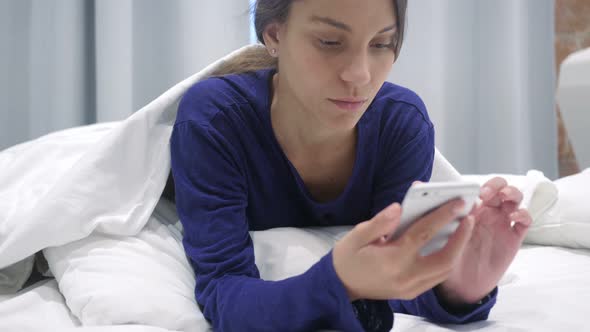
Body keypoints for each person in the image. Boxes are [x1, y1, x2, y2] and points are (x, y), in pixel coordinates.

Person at [169, 0, 532, 331]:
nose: (360, 75)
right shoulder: (216, 119)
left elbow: (392, 275)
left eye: (380, 44)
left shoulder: (400, 124)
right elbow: (223, 293)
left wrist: (457, 287)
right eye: (330, 42)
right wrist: (338, 282)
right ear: (274, 34)